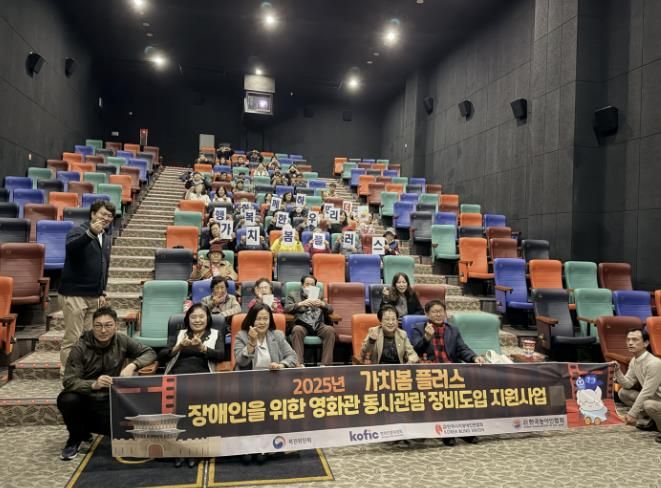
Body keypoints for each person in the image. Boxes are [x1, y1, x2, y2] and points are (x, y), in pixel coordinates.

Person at [57, 307, 156, 460]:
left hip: (112, 397)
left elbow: (150, 352)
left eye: (108, 325)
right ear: (92, 326)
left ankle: (87, 429)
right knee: (67, 399)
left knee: (132, 433)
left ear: (116, 326)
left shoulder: (122, 340)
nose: (103, 330)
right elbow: (69, 381)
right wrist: (93, 384)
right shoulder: (80, 347)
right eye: (98, 325)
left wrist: (132, 365)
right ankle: (75, 437)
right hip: (86, 397)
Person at [411, 299, 485, 446]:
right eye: (434, 312)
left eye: (441, 311)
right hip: (431, 371)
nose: (438, 314)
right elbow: (414, 351)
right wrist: (426, 338)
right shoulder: (418, 329)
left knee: (466, 392)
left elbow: (462, 349)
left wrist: (474, 357)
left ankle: (465, 430)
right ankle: (447, 431)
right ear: (427, 314)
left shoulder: (453, 330)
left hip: (451, 370)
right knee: (443, 394)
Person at [59, 200, 116, 377]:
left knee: (91, 338)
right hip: (75, 294)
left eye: (110, 216)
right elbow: (72, 250)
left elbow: (104, 265)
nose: (106, 218)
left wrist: (102, 291)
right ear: (93, 214)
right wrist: (90, 233)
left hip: (94, 296)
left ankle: (84, 373)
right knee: (73, 338)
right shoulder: (78, 231)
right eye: (103, 214)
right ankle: (68, 376)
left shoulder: (106, 237)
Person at [613, 329, 661, 443]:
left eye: (635, 340)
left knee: (648, 404)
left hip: (655, 399)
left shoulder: (654, 363)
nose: (630, 343)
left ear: (646, 343)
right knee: (623, 393)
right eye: (628, 340)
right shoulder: (635, 360)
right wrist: (617, 371)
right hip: (654, 399)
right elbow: (628, 384)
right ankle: (653, 421)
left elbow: (647, 392)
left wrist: (632, 414)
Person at [284, 275, 336, 366]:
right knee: (297, 330)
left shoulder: (319, 295)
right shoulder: (293, 295)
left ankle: (326, 365)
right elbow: (286, 308)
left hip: (318, 324)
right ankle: (298, 363)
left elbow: (330, 309)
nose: (309, 287)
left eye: (312, 285)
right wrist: (301, 304)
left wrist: (322, 304)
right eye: (307, 284)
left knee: (330, 330)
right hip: (302, 324)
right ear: (302, 285)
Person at [234, 303, 297, 371]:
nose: (262, 322)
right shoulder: (242, 336)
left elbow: (292, 356)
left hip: (273, 376)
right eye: (258, 319)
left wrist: (280, 365)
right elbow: (241, 362)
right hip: (249, 376)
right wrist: (251, 344)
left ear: (270, 320)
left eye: (265, 319)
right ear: (252, 320)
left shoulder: (278, 335)